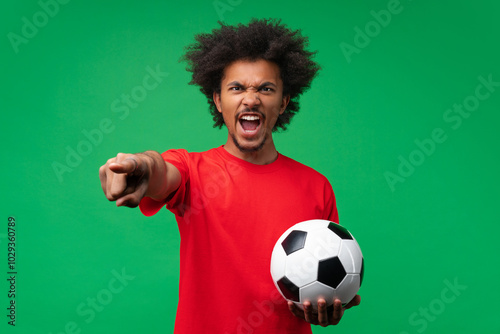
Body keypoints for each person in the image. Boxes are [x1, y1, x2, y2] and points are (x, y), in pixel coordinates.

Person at [99, 18, 360, 333]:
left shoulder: (316, 186)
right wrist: (140, 165)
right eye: (237, 88)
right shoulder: (191, 171)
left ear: (284, 101)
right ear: (218, 100)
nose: (251, 99)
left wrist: (329, 300)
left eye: (266, 88)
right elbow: (159, 170)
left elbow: (327, 284)